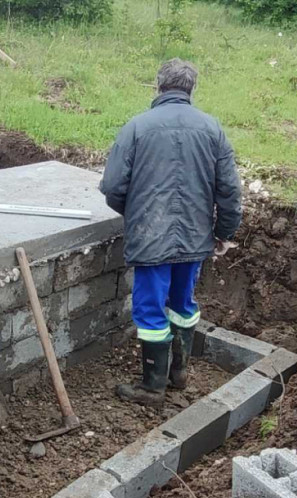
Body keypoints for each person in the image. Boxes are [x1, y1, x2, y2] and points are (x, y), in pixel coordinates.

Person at [100, 58, 243, 408]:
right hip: (196, 240)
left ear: (158, 86)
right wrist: (223, 233)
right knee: (182, 304)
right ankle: (178, 373)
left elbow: (113, 186)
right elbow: (229, 191)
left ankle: (152, 388)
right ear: (192, 89)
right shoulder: (213, 129)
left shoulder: (137, 127)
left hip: (151, 240)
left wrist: (135, 214)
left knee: (150, 311)